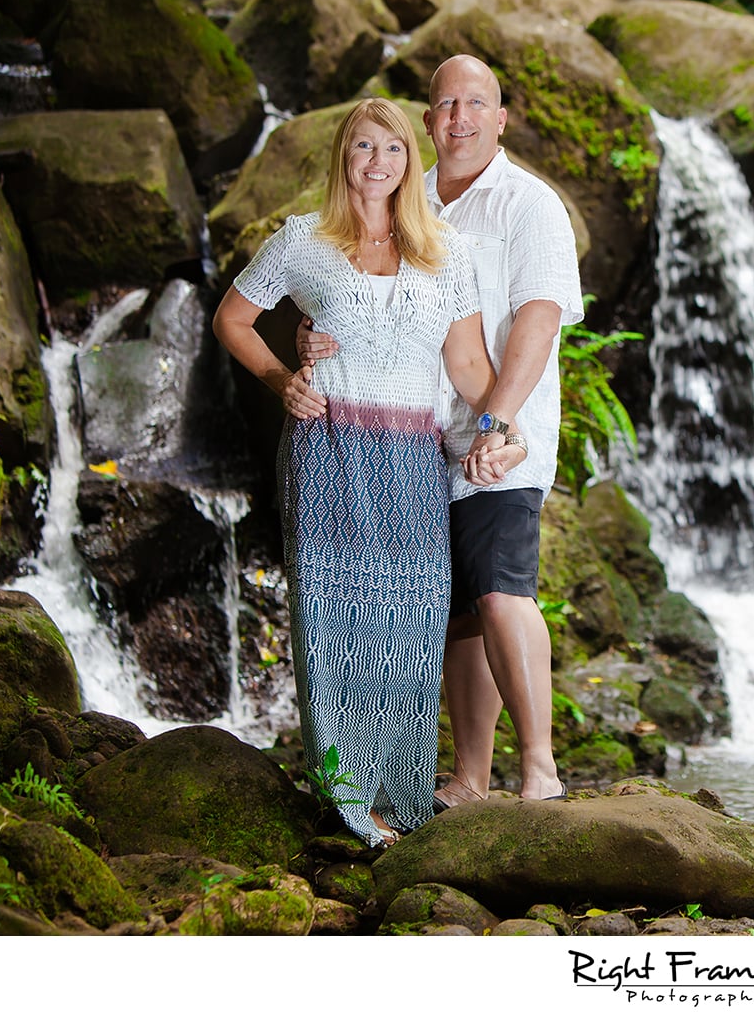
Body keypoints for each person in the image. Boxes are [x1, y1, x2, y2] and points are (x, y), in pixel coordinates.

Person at [213, 96, 509, 848]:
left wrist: (506, 424)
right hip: (329, 449)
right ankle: (348, 800)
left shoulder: (445, 252)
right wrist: (283, 379)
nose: (379, 162)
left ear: (411, 160)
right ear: (342, 157)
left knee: (412, 624)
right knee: (333, 623)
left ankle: (400, 795)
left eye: (393, 149)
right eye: (363, 147)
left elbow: (468, 364)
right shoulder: (302, 241)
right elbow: (232, 319)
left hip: (412, 458)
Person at [298, 54, 584, 808]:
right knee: (455, 615)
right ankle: (470, 777)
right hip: (415, 447)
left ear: (501, 118)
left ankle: (542, 770)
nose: (460, 117)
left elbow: (538, 321)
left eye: (476, 103)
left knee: (500, 592)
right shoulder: (404, 198)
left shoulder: (530, 205)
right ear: (427, 121)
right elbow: (361, 298)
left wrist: (497, 420)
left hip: (499, 442)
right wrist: (314, 335)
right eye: (447, 104)